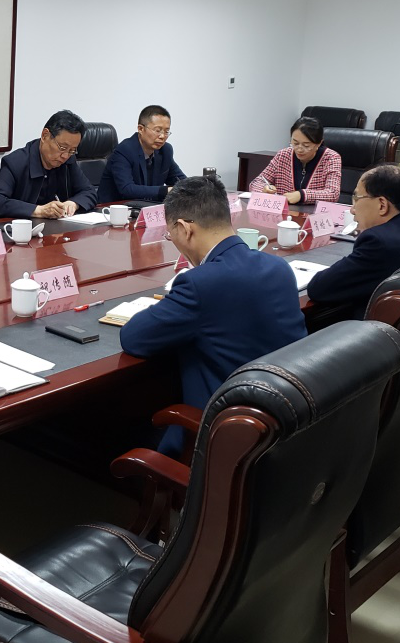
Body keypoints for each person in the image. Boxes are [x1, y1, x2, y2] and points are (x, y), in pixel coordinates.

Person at [120, 176, 307, 456]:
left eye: (171, 235)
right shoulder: (278, 267)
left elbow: (133, 338)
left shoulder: (200, 283)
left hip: (221, 439)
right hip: (284, 427)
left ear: (185, 229)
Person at [307, 165, 400, 319]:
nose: (352, 210)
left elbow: (319, 288)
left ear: (382, 205)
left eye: (357, 198)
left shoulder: (379, 242)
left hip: (374, 331)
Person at [0, 110, 97, 220]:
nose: (65, 156)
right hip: (23, 229)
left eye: (72, 150)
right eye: (62, 148)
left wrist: (73, 203)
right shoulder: (15, 162)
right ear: (45, 135)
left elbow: (89, 191)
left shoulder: (68, 161)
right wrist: (39, 210)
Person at [97, 104, 187, 203]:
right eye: (157, 130)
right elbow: (127, 189)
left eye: (166, 131)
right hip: (112, 209)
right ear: (140, 129)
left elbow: (181, 180)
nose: (162, 136)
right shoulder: (124, 150)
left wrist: (195, 187)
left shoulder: (165, 150)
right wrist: (166, 190)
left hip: (147, 207)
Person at [249, 116, 342, 204]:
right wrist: (264, 189)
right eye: (295, 143)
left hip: (313, 213)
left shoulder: (331, 158)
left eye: (306, 145)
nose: (299, 149)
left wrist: (301, 195)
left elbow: (333, 193)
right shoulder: (283, 155)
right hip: (285, 212)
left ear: (319, 143)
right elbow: (256, 182)